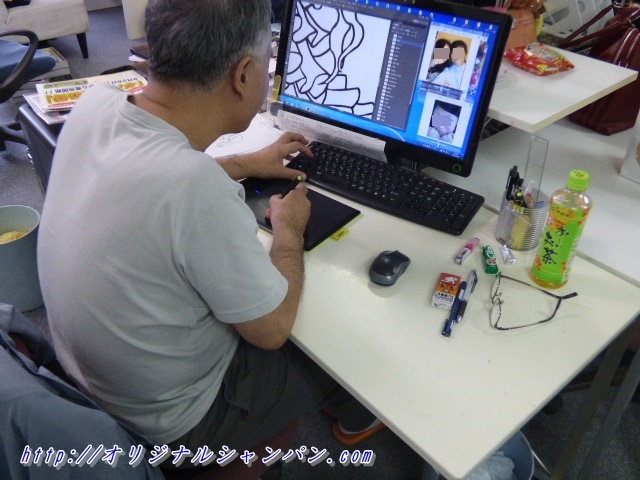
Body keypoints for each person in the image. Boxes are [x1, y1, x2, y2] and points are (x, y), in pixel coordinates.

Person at [37, 0, 382, 470]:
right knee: (340, 339)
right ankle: (354, 417)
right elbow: (271, 330)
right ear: (244, 75)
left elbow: (146, 179)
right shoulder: (193, 187)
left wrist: (242, 163)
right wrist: (288, 232)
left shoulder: (95, 105)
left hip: (87, 382)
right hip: (176, 425)